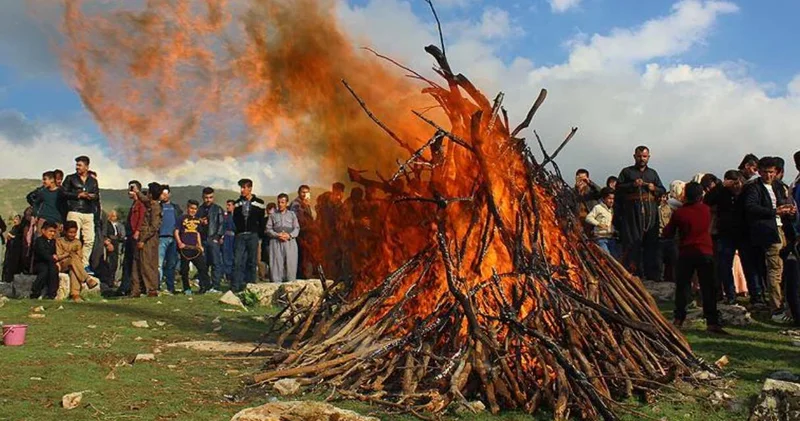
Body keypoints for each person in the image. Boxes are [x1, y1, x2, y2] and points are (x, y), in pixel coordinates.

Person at [663, 182, 727, 334]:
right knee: (708, 287)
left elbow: (667, 233)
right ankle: (712, 322)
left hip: (686, 252)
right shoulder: (706, 210)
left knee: (683, 287)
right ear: (701, 195)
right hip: (706, 251)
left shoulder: (680, 213)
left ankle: (679, 318)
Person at [743, 157, 797, 319]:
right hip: (768, 231)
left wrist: (788, 210)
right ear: (759, 172)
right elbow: (750, 207)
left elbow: (782, 203)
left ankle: (785, 304)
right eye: (765, 172)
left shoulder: (778, 186)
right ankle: (776, 308)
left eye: (771, 172)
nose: (768, 175)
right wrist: (774, 212)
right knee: (775, 269)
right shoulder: (754, 188)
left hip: (783, 229)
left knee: (787, 267)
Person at [615, 146, 666, 281]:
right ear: (634, 156)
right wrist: (632, 184)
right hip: (632, 211)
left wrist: (654, 188)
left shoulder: (653, 173)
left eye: (644, 156)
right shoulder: (627, 172)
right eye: (639, 156)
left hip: (650, 211)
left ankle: (651, 274)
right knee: (633, 242)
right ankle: (633, 272)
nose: (642, 159)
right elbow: (618, 188)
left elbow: (662, 189)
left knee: (651, 242)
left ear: (648, 157)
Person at [704, 170, 746, 304]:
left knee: (748, 265)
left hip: (743, 232)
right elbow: (707, 200)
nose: (735, 186)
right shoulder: (721, 193)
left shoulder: (744, 192)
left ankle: (756, 296)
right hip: (725, 233)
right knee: (724, 265)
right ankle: (730, 294)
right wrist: (721, 186)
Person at [61, 156, 100, 269]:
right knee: (74, 238)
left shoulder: (93, 181)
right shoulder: (70, 178)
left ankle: (84, 264)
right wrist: (78, 195)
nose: (77, 167)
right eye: (76, 165)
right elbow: (63, 193)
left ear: (86, 167)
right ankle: (73, 262)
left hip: (89, 212)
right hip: (74, 211)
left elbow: (97, 196)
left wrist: (91, 196)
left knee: (89, 239)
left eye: (80, 165)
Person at [232, 179, 266, 292]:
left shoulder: (259, 203)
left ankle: (251, 286)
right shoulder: (237, 203)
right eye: (241, 187)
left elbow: (262, 221)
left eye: (244, 187)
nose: (242, 190)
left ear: (250, 188)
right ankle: (235, 286)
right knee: (237, 261)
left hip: (253, 235)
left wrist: (259, 235)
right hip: (240, 235)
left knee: (252, 261)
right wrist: (238, 231)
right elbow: (235, 219)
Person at [131, 183, 163, 298]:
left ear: (151, 194)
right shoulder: (151, 203)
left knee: (147, 263)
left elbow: (154, 226)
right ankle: (136, 290)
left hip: (148, 239)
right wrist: (137, 192)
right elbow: (144, 199)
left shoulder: (155, 207)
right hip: (144, 237)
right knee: (137, 263)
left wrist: (143, 240)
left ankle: (151, 289)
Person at [56, 221, 100, 302]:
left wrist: (72, 255)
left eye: (74, 232)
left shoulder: (77, 242)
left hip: (74, 265)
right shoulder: (59, 241)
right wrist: (68, 254)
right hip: (62, 264)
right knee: (73, 258)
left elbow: (80, 257)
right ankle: (87, 279)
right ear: (65, 231)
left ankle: (75, 295)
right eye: (70, 232)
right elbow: (58, 256)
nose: (72, 235)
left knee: (73, 270)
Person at [175, 200, 209, 294]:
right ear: (187, 208)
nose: (193, 210)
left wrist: (200, 245)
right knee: (184, 270)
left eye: (195, 209)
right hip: (185, 248)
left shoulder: (197, 220)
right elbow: (176, 231)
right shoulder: (181, 218)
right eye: (191, 208)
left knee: (202, 268)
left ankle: (204, 287)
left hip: (195, 248)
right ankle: (187, 289)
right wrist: (179, 243)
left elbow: (197, 233)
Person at [266, 193, 300, 283]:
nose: (280, 204)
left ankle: (291, 286)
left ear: (287, 203)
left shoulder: (292, 215)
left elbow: (297, 228)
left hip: (290, 242)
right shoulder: (273, 215)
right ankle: (276, 286)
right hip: (276, 242)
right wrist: (277, 235)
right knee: (276, 265)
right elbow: (268, 229)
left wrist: (290, 235)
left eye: (282, 202)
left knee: (291, 265)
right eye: (279, 202)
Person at [118, 181, 144, 296]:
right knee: (127, 261)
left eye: (131, 189)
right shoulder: (134, 204)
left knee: (133, 261)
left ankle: (133, 286)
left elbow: (141, 218)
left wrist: (137, 231)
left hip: (134, 235)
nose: (129, 191)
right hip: (129, 235)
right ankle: (125, 286)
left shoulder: (140, 204)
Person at [197, 187, 224, 293]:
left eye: (210, 197)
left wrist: (217, 237)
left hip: (213, 239)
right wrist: (200, 222)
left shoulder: (218, 209)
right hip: (202, 239)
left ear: (213, 197)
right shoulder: (199, 210)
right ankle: (204, 286)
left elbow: (221, 224)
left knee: (216, 263)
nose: (208, 200)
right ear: (202, 197)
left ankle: (216, 286)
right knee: (203, 264)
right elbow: (195, 224)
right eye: (206, 197)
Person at [157, 186, 182, 293]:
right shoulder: (157, 207)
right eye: (162, 194)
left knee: (171, 264)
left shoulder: (175, 208)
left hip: (173, 238)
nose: (164, 196)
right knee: (159, 264)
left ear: (169, 194)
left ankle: (170, 287)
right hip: (161, 238)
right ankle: (157, 286)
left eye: (166, 194)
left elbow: (180, 221)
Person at [290, 185, 315, 279]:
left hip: (307, 235)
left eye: (306, 192)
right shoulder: (296, 204)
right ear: (299, 193)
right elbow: (297, 219)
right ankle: (302, 277)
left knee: (307, 256)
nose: (305, 194)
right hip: (300, 234)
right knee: (302, 257)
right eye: (303, 192)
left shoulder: (306, 204)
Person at [30, 221, 60, 299]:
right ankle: (35, 291)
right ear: (43, 231)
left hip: (50, 263)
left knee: (54, 269)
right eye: (50, 231)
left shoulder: (53, 241)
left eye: (54, 232)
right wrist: (53, 258)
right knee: (44, 270)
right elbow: (43, 254)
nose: (52, 234)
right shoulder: (39, 241)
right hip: (39, 264)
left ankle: (52, 293)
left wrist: (55, 260)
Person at [585, 187, 617, 258]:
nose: (611, 201)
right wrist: (599, 224)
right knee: (607, 257)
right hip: (601, 238)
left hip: (611, 238)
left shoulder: (612, 210)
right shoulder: (598, 208)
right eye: (609, 198)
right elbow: (588, 218)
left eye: (613, 199)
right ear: (604, 199)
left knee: (615, 257)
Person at [222, 200, 236, 283]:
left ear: (234, 206)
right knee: (226, 256)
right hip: (227, 237)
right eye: (227, 205)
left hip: (235, 238)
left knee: (235, 256)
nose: (227, 207)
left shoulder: (237, 215)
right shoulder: (225, 216)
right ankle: (228, 275)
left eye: (229, 205)